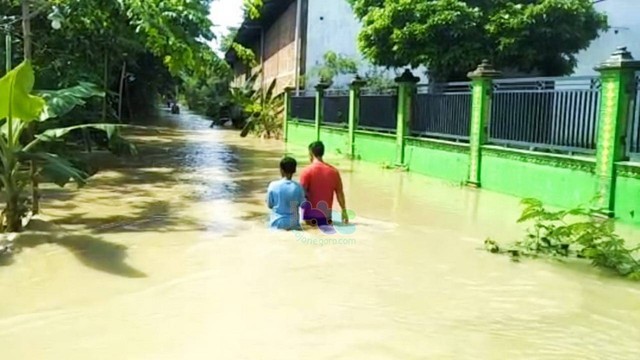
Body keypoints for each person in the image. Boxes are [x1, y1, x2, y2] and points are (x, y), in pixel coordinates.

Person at [300, 141, 348, 226]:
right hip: (326, 218)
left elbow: (300, 195)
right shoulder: (334, 172)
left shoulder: (306, 171)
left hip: (309, 218)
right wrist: (344, 211)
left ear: (311, 153)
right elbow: (340, 193)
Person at [267, 157, 306, 230]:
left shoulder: (273, 185)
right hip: (293, 223)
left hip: (277, 222)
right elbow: (303, 205)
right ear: (294, 170)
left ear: (281, 170)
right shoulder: (298, 187)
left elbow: (270, 205)